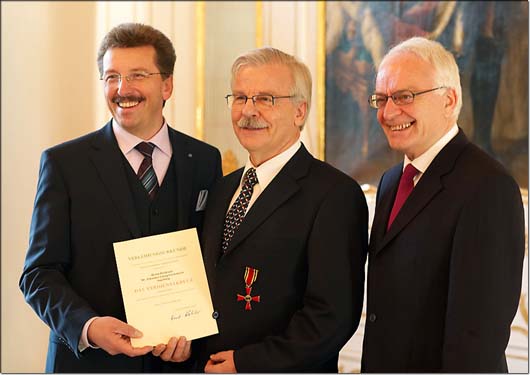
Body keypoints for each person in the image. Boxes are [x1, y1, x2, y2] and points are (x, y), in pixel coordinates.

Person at [19, 22, 222, 373]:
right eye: (111, 77)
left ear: (167, 85)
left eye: (137, 75)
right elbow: (39, 274)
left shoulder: (205, 160)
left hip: (177, 364)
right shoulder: (64, 164)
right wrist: (89, 327)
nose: (122, 89)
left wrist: (194, 339)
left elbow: (212, 262)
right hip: (89, 365)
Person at [194, 47, 368, 373]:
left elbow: (331, 317)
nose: (248, 110)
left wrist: (246, 363)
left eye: (266, 99)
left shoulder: (335, 195)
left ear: (300, 112)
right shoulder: (222, 189)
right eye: (240, 97)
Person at [361, 36, 525, 372]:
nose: (389, 112)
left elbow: (477, 335)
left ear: (449, 100)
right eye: (381, 99)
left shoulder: (488, 187)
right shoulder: (392, 180)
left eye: (405, 96)